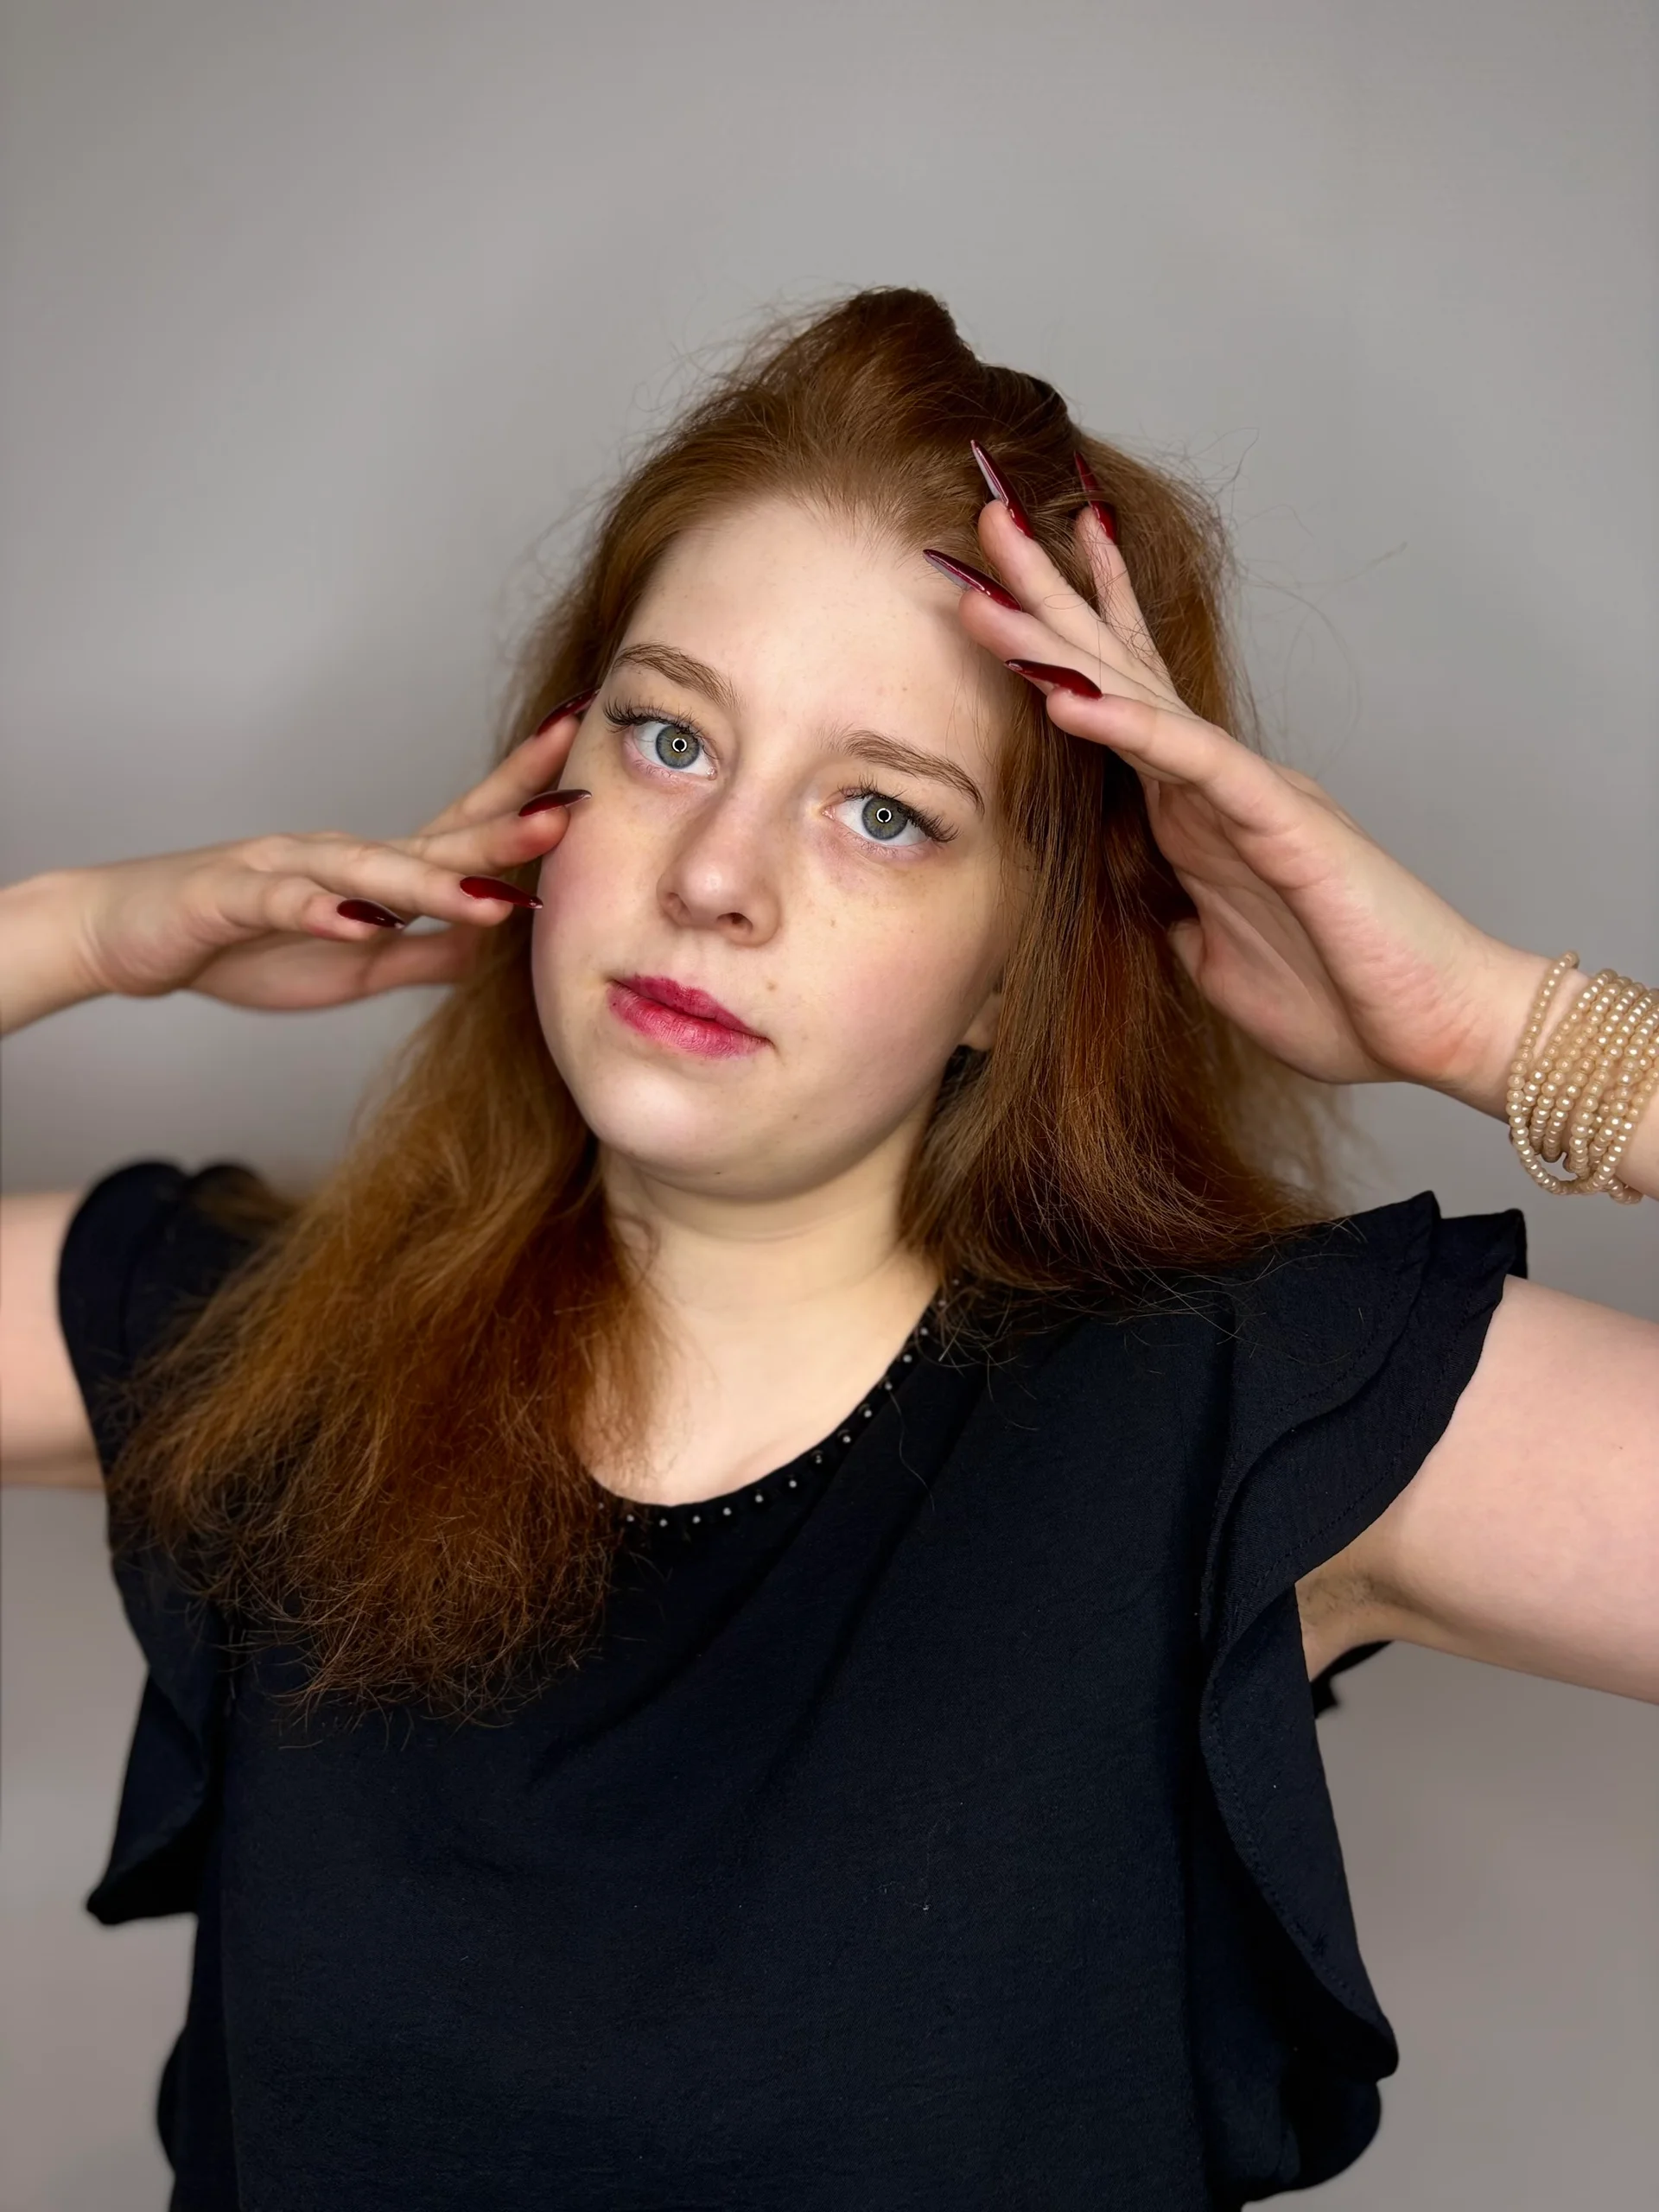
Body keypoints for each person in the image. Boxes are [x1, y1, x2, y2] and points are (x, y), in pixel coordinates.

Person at [1, 287, 1655, 2212]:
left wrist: (1503, 1029)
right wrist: (77, 930)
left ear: (1020, 970)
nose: (718, 875)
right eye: (670, 736)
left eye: (883, 811)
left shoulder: (1235, 1412)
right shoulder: (268, 1346)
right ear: (553, 793)